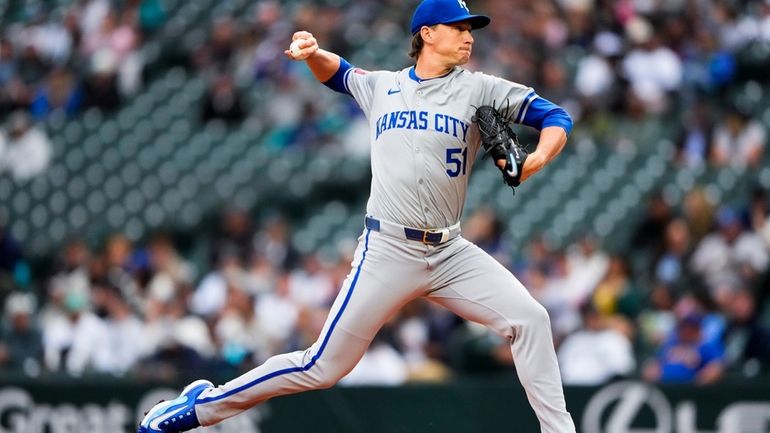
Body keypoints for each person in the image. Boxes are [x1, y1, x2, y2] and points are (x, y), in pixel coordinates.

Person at [138, 1, 575, 432]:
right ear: (427, 33)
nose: (468, 36)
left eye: (470, 29)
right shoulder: (383, 86)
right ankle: (204, 405)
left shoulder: (480, 87)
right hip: (388, 249)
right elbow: (341, 73)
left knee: (531, 319)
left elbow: (555, 117)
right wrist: (313, 53)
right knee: (321, 367)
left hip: (450, 251)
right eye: (458, 27)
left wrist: (535, 159)